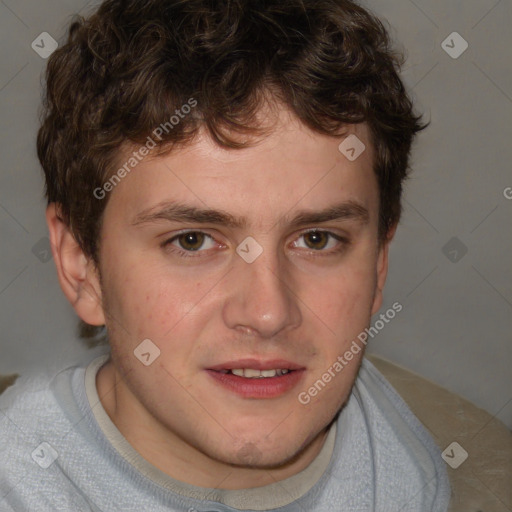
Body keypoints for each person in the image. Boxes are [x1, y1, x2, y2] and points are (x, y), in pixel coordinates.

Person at [0, 0, 451, 510]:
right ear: (81, 265)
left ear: (378, 263)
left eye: (317, 239)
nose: (268, 313)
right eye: (192, 240)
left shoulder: (403, 468)